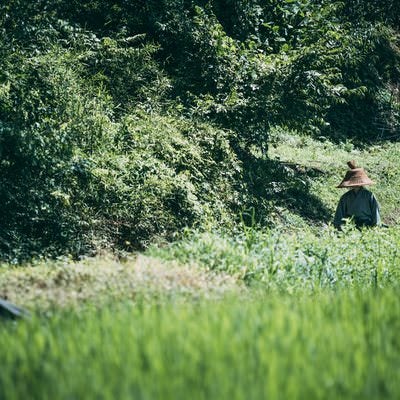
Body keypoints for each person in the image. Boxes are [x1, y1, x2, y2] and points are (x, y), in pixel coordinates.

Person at [333, 160, 381, 230]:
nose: (355, 185)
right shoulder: (345, 197)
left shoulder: (369, 195)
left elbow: (375, 213)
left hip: (367, 226)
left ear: (361, 183)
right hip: (350, 226)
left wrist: (375, 227)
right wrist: (339, 227)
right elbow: (339, 215)